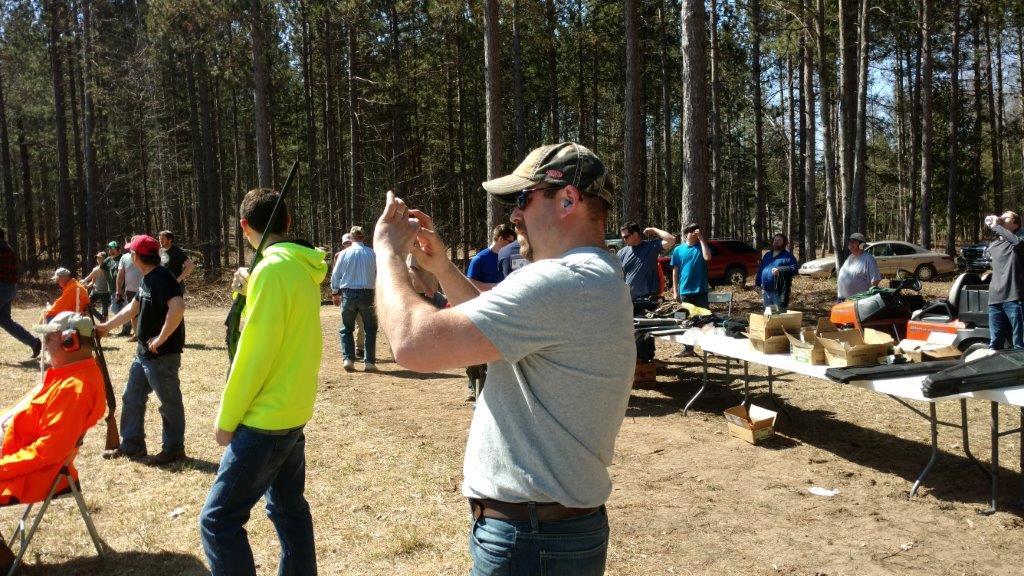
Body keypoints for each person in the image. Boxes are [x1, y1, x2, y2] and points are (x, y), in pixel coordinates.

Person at [373, 142, 634, 575]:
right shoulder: (591, 276)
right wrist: (442, 268)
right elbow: (492, 325)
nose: (514, 216)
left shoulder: (563, 280)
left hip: (532, 539)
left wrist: (386, 253)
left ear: (568, 199)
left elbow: (412, 342)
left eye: (523, 199)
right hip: (547, 532)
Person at [200, 187, 325, 576]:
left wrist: (226, 420)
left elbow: (254, 354)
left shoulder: (271, 270)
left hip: (265, 419)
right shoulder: (299, 267)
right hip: (293, 410)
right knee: (289, 509)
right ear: (288, 221)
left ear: (244, 226)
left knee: (218, 522)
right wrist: (250, 285)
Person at [0, 311, 107, 572]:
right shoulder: (69, 376)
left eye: (49, 339)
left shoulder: (73, 388)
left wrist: (2, 467)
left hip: (38, 473)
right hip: (22, 460)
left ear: (71, 342)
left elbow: (47, 453)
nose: (44, 345)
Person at [96, 234, 186, 466]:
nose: (129, 255)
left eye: (130, 252)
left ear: (136, 256)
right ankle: (132, 445)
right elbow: (132, 309)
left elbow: (178, 307)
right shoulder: (148, 278)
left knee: (169, 402)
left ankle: (174, 449)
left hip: (162, 355)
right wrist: (106, 327)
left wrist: (162, 338)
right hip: (144, 353)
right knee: (132, 397)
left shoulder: (163, 278)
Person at [330, 226, 377, 371]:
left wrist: (335, 292)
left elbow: (336, 274)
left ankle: (348, 359)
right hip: (367, 293)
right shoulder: (372, 253)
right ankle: (369, 362)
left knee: (346, 328)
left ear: (351, 237)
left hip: (348, 293)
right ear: (364, 237)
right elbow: (378, 273)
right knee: (370, 329)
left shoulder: (343, 253)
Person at [984, 212, 1024, 349]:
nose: (1001, 218)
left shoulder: (1019, 241)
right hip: (995, 299)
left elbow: (1017, 242)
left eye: (1006, 217)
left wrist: (997, 226)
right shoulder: (993, 245)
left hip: (1014, 298)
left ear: (1016, 224)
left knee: (1019, 344)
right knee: (995, 343)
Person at [0, 228, 40, 358]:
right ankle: (34, 343)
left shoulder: (2, 249)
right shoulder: (7, 248)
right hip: (9, 288)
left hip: (3, 287)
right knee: (5, 321)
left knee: (5, 321)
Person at [617, 222, 676, 303]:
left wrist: (654, 229)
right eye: (623, 237)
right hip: (629, 300)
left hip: (649, 299)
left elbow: (671, 240)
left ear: (635, 234)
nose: (624, 239)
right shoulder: (621, 253)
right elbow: (618, 276)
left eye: (626, 237)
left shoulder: (651, 246)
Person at [333, 233, 366, 358]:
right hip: (345, 292)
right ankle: (349, 352)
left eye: (349, 242)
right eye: (345, 243)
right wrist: (336, 292)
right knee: (347, 324)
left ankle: (359, 347)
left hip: (361, 292)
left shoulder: (362, 254)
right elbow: (336, 274)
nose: (348, 244)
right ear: (343, 244)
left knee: (361, 323)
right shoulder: (339, 255)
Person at [670, 223, 712, 307]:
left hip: (701, 291)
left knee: (703, 315)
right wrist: (675, 291)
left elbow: (707, 257)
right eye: (691, 231)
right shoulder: (678, 250)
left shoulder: (702, 247)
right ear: (686, 234)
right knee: (686, 315)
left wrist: (701, 238)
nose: (694, 233)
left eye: (695, 231)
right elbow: (675, 272)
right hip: (685, 291)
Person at [755, 234, 800, 311]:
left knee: (779, 314)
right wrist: (757, 284)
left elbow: (795, 269)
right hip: (765, 290)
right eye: (775, 240)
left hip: (779, 292)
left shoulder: (788, 256)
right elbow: (761, 270)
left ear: (784, 243)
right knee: (768, 314)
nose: (776, 242)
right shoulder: (767, 255)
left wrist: (780, 269)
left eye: (779, 240)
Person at [466, 225, 516, 291]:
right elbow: (470, 283)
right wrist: (496, 287)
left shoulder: (510, 257)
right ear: (501, 239)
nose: (512, 245)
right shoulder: (479, 258)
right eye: (510, 242)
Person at [836, 232, 881, 302]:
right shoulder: (850, 257)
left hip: (858, 302)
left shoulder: (869, 259)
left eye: (853, 242)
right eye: (850, 241)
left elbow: (875, 281)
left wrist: (869, 300)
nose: (850, 244)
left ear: (861, 245)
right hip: (842, 299)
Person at [116, 239, 144, 339]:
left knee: (146, 312)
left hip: (146, 289)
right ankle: (136, 334)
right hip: (130, 290)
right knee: (133, 312)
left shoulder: (146, 256)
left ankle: (145, 334)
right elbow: (120, 275)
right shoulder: (124, 257)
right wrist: (118, 290)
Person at [83, 251, 113, 320]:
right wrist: (87, 286)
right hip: (95, 291)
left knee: (105, 312)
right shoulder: (95, 269)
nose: (98, 259)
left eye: (100, 258)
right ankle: (100, 318)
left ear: (105, 259)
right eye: (97, 258)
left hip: (105, 292)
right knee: (87, 306)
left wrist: (85, 279)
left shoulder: (108, 268)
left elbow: (98, 271)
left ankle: (104, 322)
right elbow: (93, 282)